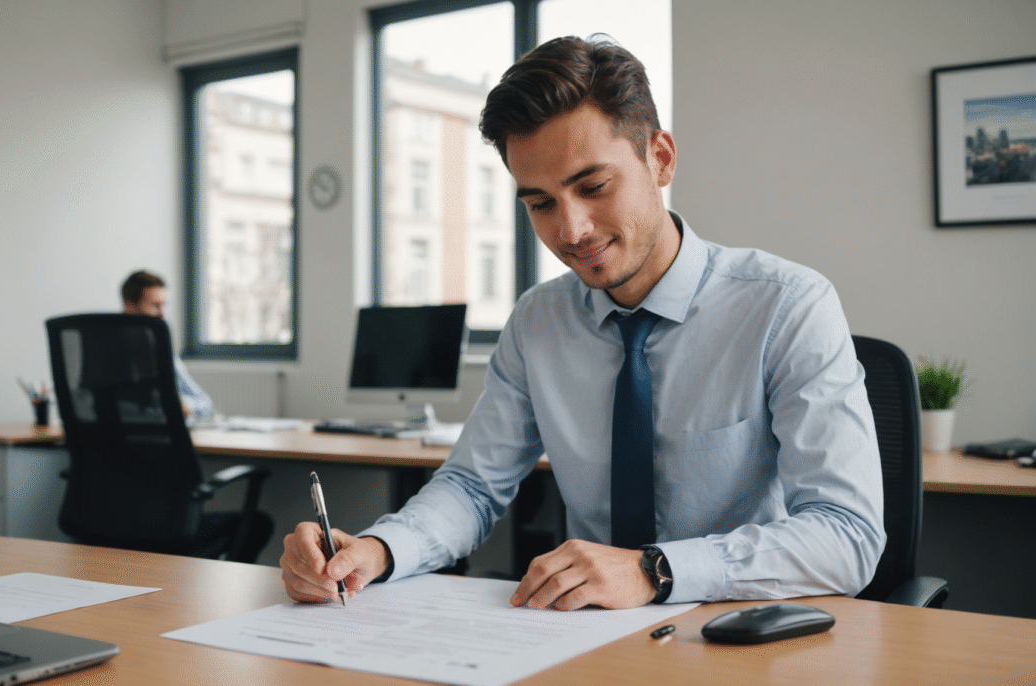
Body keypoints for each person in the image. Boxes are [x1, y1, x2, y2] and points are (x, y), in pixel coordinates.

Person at [281, 36, 885, 611]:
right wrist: (377, 551)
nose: (571, 231)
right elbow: (471, 487)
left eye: (593, 186)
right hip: (589, 632)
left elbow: (847, 534)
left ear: (660, 159)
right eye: (541, 204)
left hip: (739, 630)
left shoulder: (786, 307)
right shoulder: (538, 322)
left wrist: (654, 570)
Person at [121, 270, 215, 422]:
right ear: (130, 306)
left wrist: (185, 405)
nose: (163, 314)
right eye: (156, 305)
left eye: (164, 305)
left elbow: (205, 404)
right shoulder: (105, 351)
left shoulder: (161, 351)